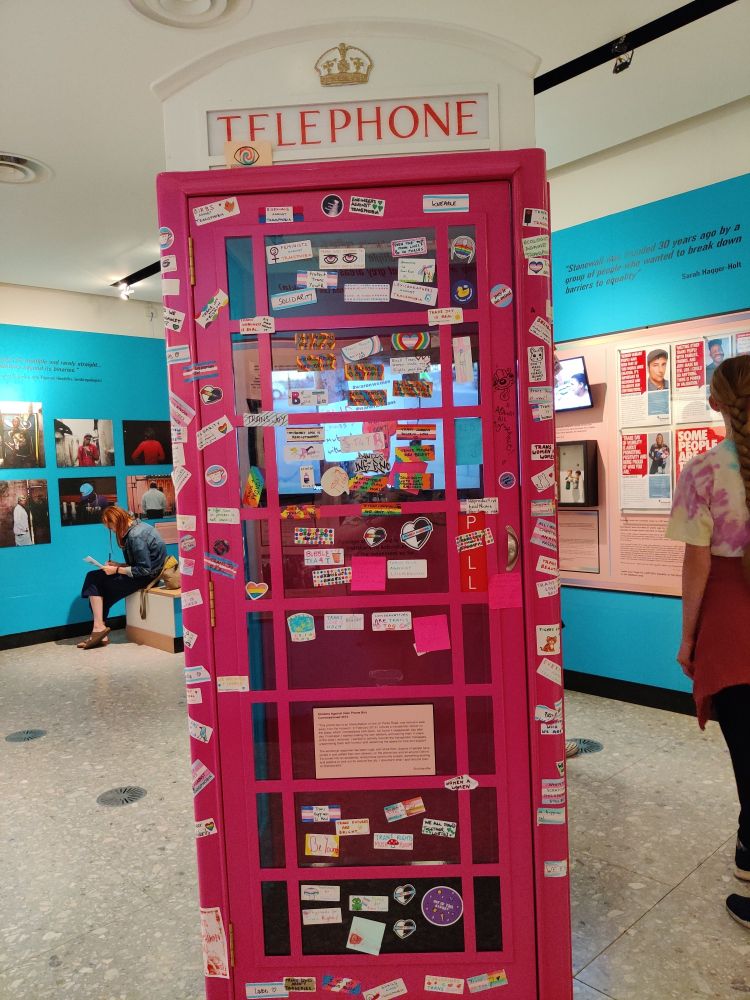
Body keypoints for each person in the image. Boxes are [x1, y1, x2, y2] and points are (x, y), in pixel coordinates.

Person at [666, 354, 750, 931]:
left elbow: (698, 566)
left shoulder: (703, 471)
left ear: (717, 403)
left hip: (730, 618)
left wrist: (688, 637)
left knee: (747, 751)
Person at [78, 505, 166, 649]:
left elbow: (144, 569)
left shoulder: (136, 536)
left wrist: (116, 569)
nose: (112, 531)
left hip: (148, 577)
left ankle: (99, 630)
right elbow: (139, 562)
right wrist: (119, 565)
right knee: (94, 585)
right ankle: (99, 629)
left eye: (111, 527)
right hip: (145, 573)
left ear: (117, 521)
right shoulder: (136, 528)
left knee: (95, 584)